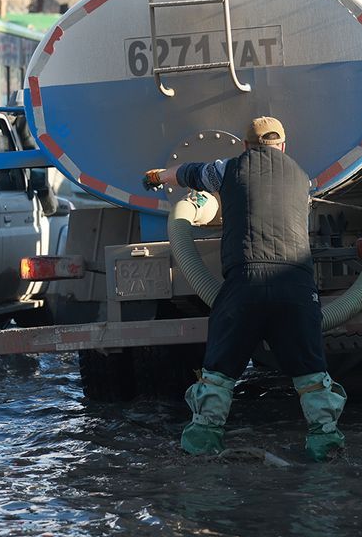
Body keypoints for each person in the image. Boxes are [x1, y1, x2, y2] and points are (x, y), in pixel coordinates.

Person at [144, 116, 346, 462]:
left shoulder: (228, 169)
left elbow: (190, 172)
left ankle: (203, 445)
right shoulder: (302, 179)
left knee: (219, 372)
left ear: (246, 146)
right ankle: (325, 445)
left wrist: (160, 177)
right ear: (283, 146)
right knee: (311, 373)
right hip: (296, 287)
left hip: (246, 284)